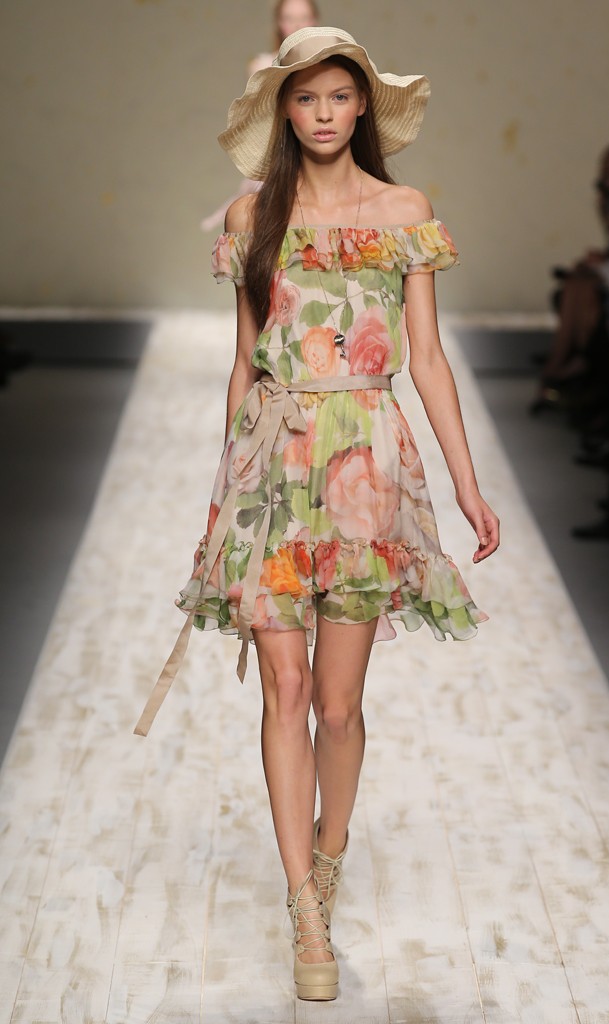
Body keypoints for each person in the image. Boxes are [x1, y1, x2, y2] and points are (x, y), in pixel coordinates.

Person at [136, 26, 499, 1002]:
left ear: (363, 106)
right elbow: (242, 361)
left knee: (338, 705)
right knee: (285, 689)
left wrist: (465, 485)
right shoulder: (253, 215)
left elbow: (426, 360)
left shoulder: (404, 212)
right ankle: (303, 904)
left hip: (366, 467)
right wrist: (223, 494)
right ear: (283, 110)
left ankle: (328, 853)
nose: (325, 113)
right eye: (306, 98)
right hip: (271, 465)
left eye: (340, 96)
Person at [200, 0, 320, 232]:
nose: (297, 25)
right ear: (279, 23)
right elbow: (263, 119)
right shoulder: (262, 66)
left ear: (314, 21)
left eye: (303, 18)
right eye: (289, 18)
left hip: (321, 154)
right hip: (278, 156)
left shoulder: (329, 65)